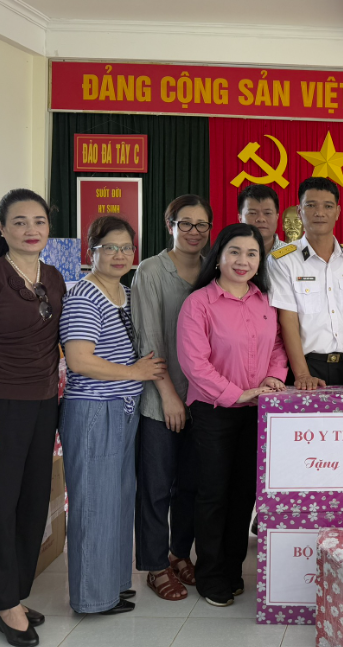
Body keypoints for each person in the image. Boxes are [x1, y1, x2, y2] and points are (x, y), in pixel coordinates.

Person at [0, 189, 66, 647]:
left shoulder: (53, 277)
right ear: (2, 229)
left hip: (42, 406)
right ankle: (4, 603)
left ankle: (9, 593)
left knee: (31, 503)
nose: (30, 229)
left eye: (39, 221)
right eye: (19, 222)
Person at [177, 223, 288, 606]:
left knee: (243, 494)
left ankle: (232, 570)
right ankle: (210, 575)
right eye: (235, 252)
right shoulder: (199, 304)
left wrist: (274, 377)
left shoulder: (265, 300)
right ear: (218, 257)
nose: (243, 261)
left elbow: (278, 346)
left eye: (252, 254)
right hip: (214, 412)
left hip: (257, 412)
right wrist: (237, 393)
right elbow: (194, 364)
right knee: (213, 494)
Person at [61, 216, 163, 615]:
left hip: (122, 409)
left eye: (126, 248)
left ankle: (113, 584)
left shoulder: (124, 292)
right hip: (93, 410)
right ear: (92, 252)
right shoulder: (85, 296)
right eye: (109, 248)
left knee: (118, 499)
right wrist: (134, 372)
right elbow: (79, 359)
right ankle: (91, 598)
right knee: (93, 503)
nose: (119, 255)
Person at [130, 195, 209, 601]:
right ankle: (155, 563)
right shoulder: (151, 271)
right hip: (160, 398)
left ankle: (179, 553)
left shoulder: (214, 269)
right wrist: (168, 396)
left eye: (201, 225)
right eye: (185, 223)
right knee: (157, 486)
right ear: (170, 226)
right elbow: (148, 339)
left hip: (202, 398)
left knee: (191, 486)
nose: (194, 232)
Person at [270, 177, 343, 389]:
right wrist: (302, 374)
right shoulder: (283, 260)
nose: (320, 213)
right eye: (311, 205)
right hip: (305, 367)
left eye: (328, 206)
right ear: (299, 211)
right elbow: (287, 320)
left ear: (337, 212)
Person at [238, 184, 289, 256]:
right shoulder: (228, 254)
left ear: (277, 217)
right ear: (240, 218)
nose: (261, 219)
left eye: (267, 213)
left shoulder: (293, 256)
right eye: (252, 213)